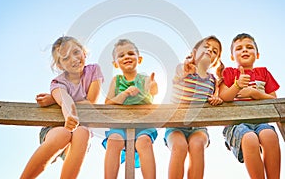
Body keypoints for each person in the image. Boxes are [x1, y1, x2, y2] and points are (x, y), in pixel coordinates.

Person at [20, 36, 104, 179]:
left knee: (82, 132)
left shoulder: (94, 71)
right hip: (54, 128)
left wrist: (53, 100)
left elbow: (91, 102)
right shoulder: (57, 82)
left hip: (79, 132)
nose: (73, 59)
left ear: (84, 52)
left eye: (76, 52)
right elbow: (64, 98)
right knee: (62, 134)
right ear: (60, 66)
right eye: (65, 58)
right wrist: (69, 114)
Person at [219, 33, 281, 179]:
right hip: (236, 125)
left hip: (260, 122)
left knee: (270, 135)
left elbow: (274, 99)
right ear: (233, 57)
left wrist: (256, 94)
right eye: (239, 48)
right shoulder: (229, 73)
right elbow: (223, 97)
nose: (245, 50)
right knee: (249, 139)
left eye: (249, 47)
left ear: (257, 54)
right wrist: (237, 85)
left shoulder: (264, 73)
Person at [165, 35, 224, 179]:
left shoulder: (212, 80)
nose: (210, 50)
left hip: (199, 127)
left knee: (197, 145)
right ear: (195, 51)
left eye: (215, 51)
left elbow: (214, 96)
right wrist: (186, 70)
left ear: (215, 61)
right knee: (180, 146)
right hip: (175, 125)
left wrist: (216, 99)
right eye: (206, 47)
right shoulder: (183, 69)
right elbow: (176, 77)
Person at [102, 39, 158, 179]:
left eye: (130, 53)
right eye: (121, 56)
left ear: (139, 59)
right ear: (116, 63)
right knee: (114, 140)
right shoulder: (117, 80)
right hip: (119, 124)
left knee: (144, 141)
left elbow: (152, 93)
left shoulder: (144, 79)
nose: (126, 57)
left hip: (142, 123)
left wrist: (153, 87)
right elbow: (108, 103)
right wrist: (125, 93)